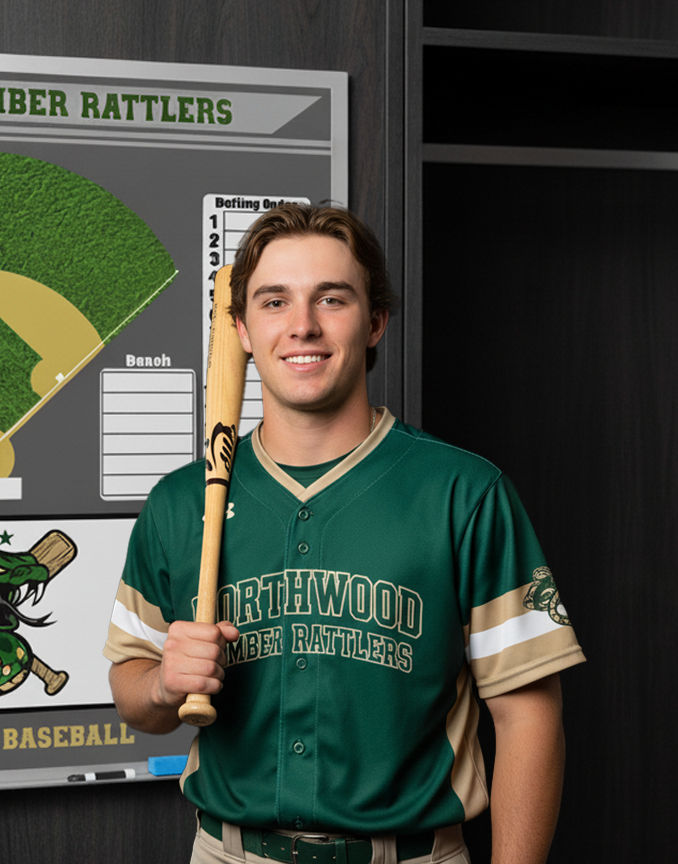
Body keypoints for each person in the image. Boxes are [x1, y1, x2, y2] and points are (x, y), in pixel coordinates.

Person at [104, 203, 584, 864]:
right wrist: (161, 684)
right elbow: (133, 686)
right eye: (274, 302)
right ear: (241, 328)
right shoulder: (182, 502)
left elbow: (528, 715)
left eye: (331, 299)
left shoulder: (463, 493)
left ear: (375, 321)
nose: (302, 326)